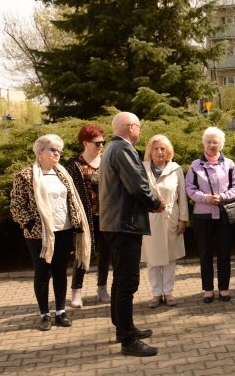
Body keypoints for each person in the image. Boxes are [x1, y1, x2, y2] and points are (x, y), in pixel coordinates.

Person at [100, 112, 165, 357]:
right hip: (124, 223)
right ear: (130, 127)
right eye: (139, 126)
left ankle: (123, 328)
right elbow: (137, 184)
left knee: (120, 280)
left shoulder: (111, 149)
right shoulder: (123, 150)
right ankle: (128, 341)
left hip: (115, 223)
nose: (140, 130)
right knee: (128, 282)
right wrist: (155, 202)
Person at [10, 134, 91, 331]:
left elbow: (71, 200)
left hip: (63, 231)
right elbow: (16, 207)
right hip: (40, 235)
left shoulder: (62, 173)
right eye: (53, 150)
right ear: (40, 153)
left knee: (60, 272)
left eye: (59, 151)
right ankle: (44, 314)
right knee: (42, 274)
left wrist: (77, 222)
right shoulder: (25, 176)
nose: (58, 154)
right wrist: (30, 224)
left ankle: (60, 312)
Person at [185, 127, 235, 303]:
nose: (211, 145)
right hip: (203, 216)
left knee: (225, 253)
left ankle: (224, 288)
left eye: (215, 142)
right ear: (204, 143)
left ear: (221, 144)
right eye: (208, 141)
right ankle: (208, 289)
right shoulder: (195, 166)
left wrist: (223, 196)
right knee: (205, 253)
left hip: (225, 215)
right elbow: (189, 188)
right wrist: (205, 198)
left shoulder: (230, 164)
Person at [140, 135, 189, 308]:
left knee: (170, 259)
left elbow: (182, 196)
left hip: (170, 216)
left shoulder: (176, 169)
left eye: (163, 148)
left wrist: (183, 219)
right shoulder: (142, 168)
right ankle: (155, 294)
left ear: (168, 151)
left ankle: (168, 292)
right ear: (150, 151)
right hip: (150, 217)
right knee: (152, 259)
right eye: (156, 148)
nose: (160, 152)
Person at [65, 124, 111, 308]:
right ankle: (76, 292)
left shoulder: (107, 161)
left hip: (107, 215)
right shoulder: (75, 165)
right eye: (97, 143)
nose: (101, 146)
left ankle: (102, 288)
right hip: (86, 217)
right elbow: (69, 192)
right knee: (83, 254)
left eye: (103, 143)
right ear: (85, 143)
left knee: (105, 254)